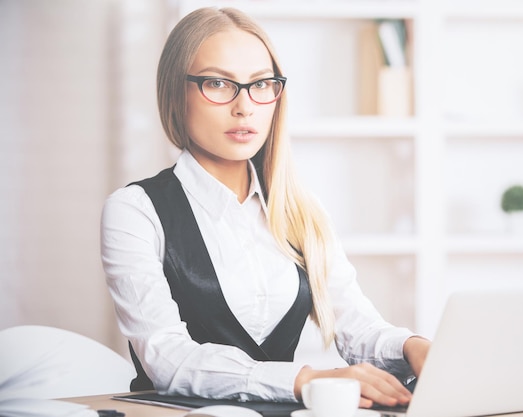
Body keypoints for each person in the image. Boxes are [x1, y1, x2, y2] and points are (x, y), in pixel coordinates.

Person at [100, 6, 430, 408]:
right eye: (219, 84)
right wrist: (307, 379)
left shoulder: (301, 211)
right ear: (175, 91)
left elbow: (357, 328)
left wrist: (414, 346)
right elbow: (168, 358)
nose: (245, 107)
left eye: (261, 84)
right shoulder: (136, 211)